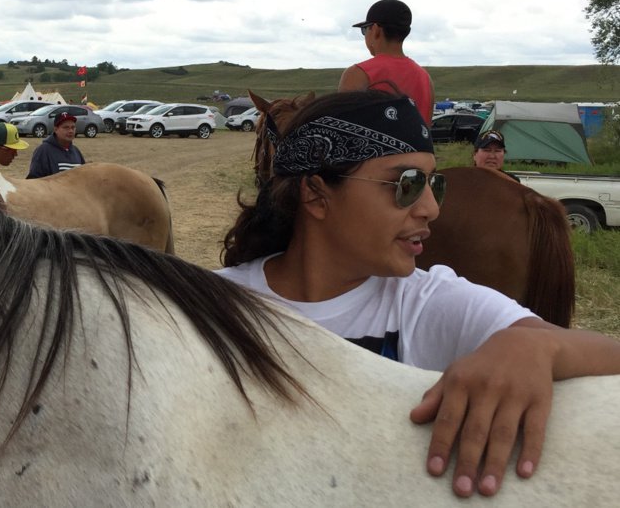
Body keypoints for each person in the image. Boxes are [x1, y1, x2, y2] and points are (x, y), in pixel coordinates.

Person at [217, 90, 620, 499]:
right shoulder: (216, 303)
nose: (431, 208)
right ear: (316, 195)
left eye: (434, 184)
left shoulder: (426, 301)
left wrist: (537, 346)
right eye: (406, 183)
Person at [339, 0, 435, 126]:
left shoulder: (358, 74)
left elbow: (343, 129)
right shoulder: (425, 78)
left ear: (375, 29)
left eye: (364, 30)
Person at [27, 112, 85, 179]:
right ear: (56, 129)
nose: (70, 131)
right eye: (66, 127)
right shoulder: (43, 150)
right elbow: (34, 179)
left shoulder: (76, 151)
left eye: (73, 127)